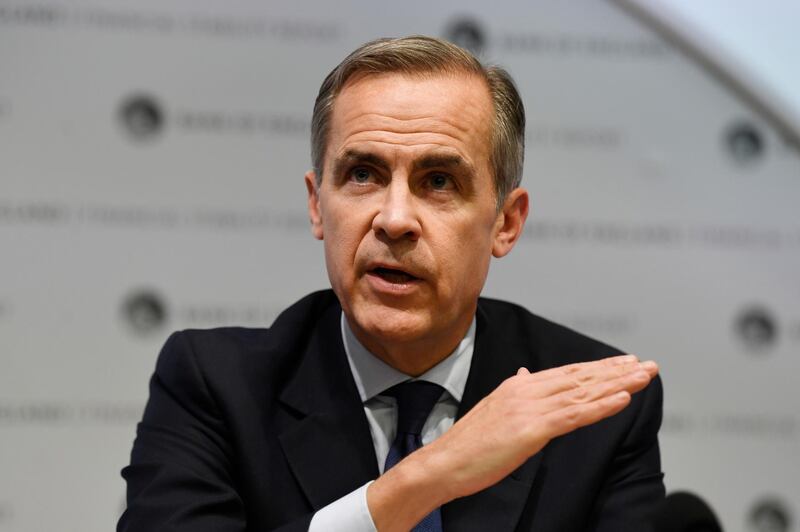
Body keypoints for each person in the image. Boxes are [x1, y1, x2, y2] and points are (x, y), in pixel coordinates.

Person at [118, 36, 664, 532]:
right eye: (363, 174)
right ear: (317, 205)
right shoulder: (214, 385)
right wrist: (430, 476)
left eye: (439, 181)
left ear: (506, 222)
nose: (394, 218)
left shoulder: (592, 409)